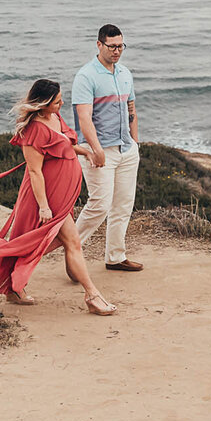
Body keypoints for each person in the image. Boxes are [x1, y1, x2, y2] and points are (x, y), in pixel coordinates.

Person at [0, 79, 117, 315]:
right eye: (57, 101)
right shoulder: (33, 130)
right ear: (44, 103)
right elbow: (35, 171)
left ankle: (10, 284)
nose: (61, 104)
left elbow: (65, 145)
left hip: (62, 195)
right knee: (71, 242)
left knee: (42, 243)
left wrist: (86, 152)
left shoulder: (54, 118)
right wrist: (44, 207)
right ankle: (92, 295)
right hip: (45, 197)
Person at [71, 24, 143, 272]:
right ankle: (72, 253)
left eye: (121, 46)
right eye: (112, 46)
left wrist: (135, 142)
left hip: (126, 149)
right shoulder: (85, 76)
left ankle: (115, 257)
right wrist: (96, 149)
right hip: (99, 151)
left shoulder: (125, 73)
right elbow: (84, 118)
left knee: (123, 205)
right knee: (100, 205)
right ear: (99, 44)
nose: (117, 51)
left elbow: (131, 108)